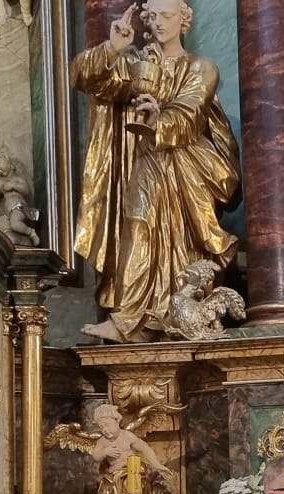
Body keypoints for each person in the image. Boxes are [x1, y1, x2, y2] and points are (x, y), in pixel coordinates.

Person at [72, 0, 241, 343]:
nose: (159, 22)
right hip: (146, 161)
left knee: (182, 243)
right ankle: (128, 320)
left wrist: (157, 117)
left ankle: (181, 317)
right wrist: (112, 47)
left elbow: (191, 110)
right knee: (136, 224)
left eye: (167, 15)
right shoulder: (135, 63)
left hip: (186, 168)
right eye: (152, 16)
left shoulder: (201, 66)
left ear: (184, 20)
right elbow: (86, 77)